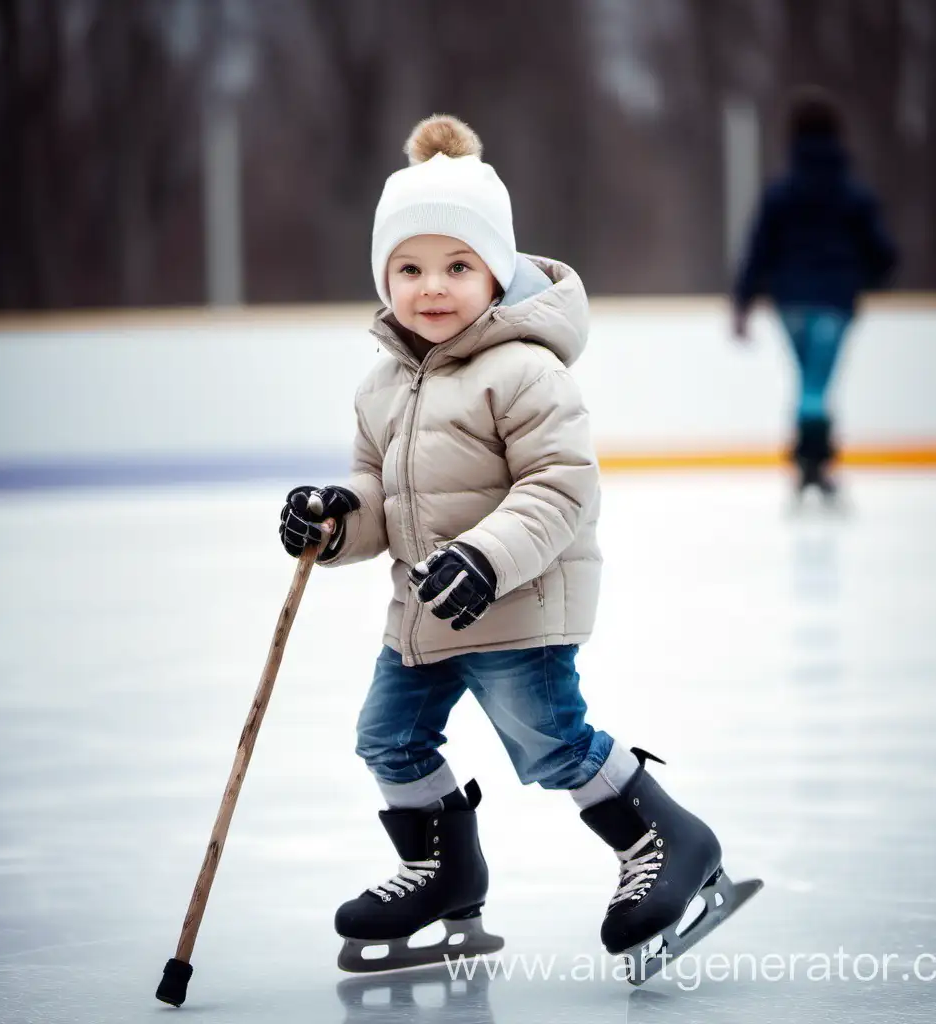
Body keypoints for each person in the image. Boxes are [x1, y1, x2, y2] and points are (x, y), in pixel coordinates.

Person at [279, 114, 760, 981]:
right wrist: (331, 518)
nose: (434, 287)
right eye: (410, 268)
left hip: (518, 605)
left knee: (550, 743)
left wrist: (486, 558)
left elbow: (560, 488)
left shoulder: (527, 370)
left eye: (459, 266)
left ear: (498, 272)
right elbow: (377, 494)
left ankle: (667, 839)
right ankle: (445, 872)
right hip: (422, 618)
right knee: (386, 739)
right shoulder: (383, 384)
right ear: (384, 278)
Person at [732, 87, 898, 499]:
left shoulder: (781, 192)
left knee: (810, 384)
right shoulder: (851, 192)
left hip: (789, 301)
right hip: (834, 300)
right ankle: (814, 464)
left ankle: (810, 464)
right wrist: (868, 278)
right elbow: (880, 250)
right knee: (816, 386)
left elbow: (758, 248)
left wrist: (743, 302)